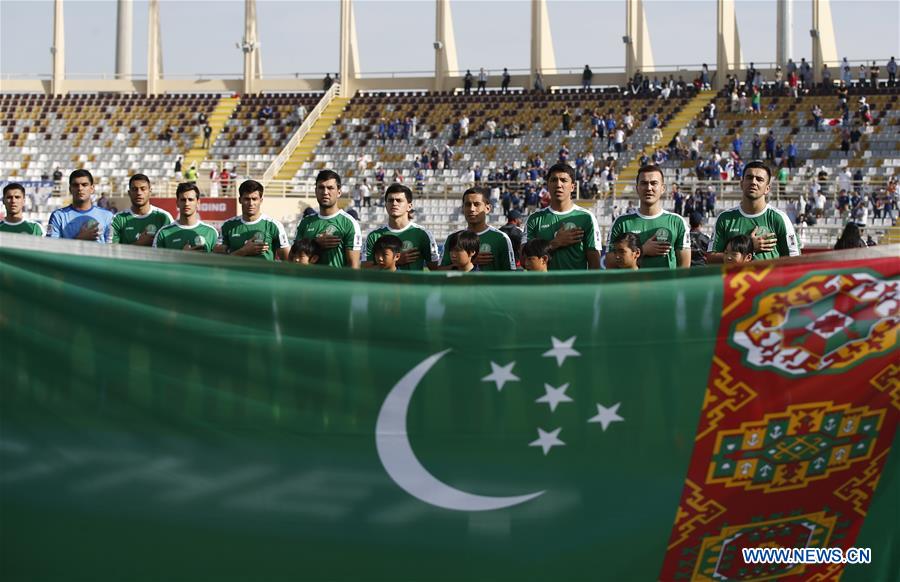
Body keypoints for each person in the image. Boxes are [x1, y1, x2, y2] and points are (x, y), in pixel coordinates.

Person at [707, 160, 800, 262]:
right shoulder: (725, 218)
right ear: (742, 184)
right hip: (735, 278)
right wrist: (749, 247)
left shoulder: (779, 218)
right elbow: (711, 258)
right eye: (749, 177)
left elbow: (794, 259)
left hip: (769, 278)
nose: (753, 182)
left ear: (767, 188)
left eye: (759, 179)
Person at [607, 165, 690, 269]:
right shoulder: (621, 222)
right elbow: (610, 265)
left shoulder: (677, 222)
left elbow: (684, 268)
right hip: (631, 285)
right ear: (637, 188)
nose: (649, 188)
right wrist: (643, 250)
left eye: (654, 183)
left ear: (663, 188)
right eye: (644, 183)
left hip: (666, 285)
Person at [522, 163, 601, 270]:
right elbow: (523, 259)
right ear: (548, 185)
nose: (558, 184)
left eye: (564, 180)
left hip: (576, 285)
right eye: (554, 180)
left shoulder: (586, 218)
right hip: (543, 285)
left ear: (572, 186)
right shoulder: (534, 219)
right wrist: (555, 243)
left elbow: (594, 264)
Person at [293, 169, 362, 268]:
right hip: (307, 282)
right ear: (316, 191)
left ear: (339, 192)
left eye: (330, 188)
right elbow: (293, 256)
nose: (325, 192)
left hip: (336, 282)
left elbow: (354, 266)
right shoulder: (305, 222)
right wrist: (315, 243)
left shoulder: (349, 223)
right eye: (321, 187)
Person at [363, 184, 439, 271]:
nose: (394, 203)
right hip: (383, 284)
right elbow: (365, 270)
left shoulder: (423, 234)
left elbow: (435, 269)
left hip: (412, 284)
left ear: (409, 206)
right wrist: (395, 261)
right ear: (386, 205)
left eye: (399, 200)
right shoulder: (374, 236)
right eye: (390, 200)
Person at [440, 187, 515, 271]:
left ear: (487, 208)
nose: (472, 209)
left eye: (477, 204)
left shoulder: (501, 238)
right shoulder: (452, 238)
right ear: (463, 208)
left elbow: (510, 274)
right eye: (468, 204)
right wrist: (468, 262)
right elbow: (439, 272)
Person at [217, 180, 289, 261]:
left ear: (261, 201)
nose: (251, 203)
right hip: (235, 273)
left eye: (254, 199)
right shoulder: (228, 225)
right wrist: (244, 251)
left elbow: (288, 260)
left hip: (265, 273)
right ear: (240, 200)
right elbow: (220, 261)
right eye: (247, 199)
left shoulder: (274, 225)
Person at [47, 170, 114, 243]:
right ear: (70, 189)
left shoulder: (107, 216)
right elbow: (51, 246)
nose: (80, 188)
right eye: (75, 185)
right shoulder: (58, 216)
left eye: (84, 185)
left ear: (92, 189)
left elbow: (111, 249)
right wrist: (79, 238)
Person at [152, 182, 218, 252]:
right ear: (177, 203)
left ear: (198, 203)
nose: (187, 203)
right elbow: (155, 262)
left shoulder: (211, 232)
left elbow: (219, 261)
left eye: (190, 200)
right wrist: (183, 256)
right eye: (183, 200)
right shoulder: (163, 233)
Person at [111, 174, 174, 246]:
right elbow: (112, 251)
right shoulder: (118, 219)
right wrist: (139, 244)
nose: (139, 193)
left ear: (150, 191)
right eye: (135, 189)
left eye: (143, 189)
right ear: (129, 193)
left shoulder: (164, 217)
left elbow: (172, 248)